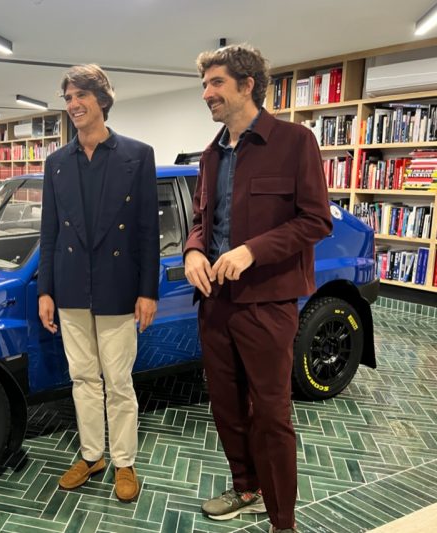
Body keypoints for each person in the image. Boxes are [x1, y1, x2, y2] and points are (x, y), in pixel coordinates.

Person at [183, 45, 332, 533]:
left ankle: (282, 521)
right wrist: (193, 252)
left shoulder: (295, 142)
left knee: (271, 414)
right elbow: (202, 220)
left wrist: (252, 251)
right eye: (204, 84)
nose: (206, 94)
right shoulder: (210, 155)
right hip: (215, 303)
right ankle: (246, 488)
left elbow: (316, 220)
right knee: (226, 407)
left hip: (267, 304)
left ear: (248, 85)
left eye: (216, 83)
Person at [38, 64, 159, 503]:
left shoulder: (137, 155)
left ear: (102, 100)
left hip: (118, 287)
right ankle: (92, 456)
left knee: (119, 381)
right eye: (68, 98)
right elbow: (50, 232)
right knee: (83, 378)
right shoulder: (56, 163)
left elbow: (147, 231)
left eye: (81, 96)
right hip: (71, 286)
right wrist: (45, 290)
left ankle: (124, 461)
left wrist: (148, 291)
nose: (73, 105)